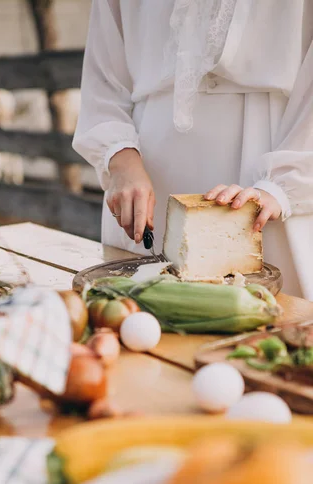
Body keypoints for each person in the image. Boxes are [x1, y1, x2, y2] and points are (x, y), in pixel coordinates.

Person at [73, 0, 313, 300]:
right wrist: (121, 161)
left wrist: (283, 186)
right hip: (148, 182)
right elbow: (103, 79)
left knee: (267, 328)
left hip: (267, 174)